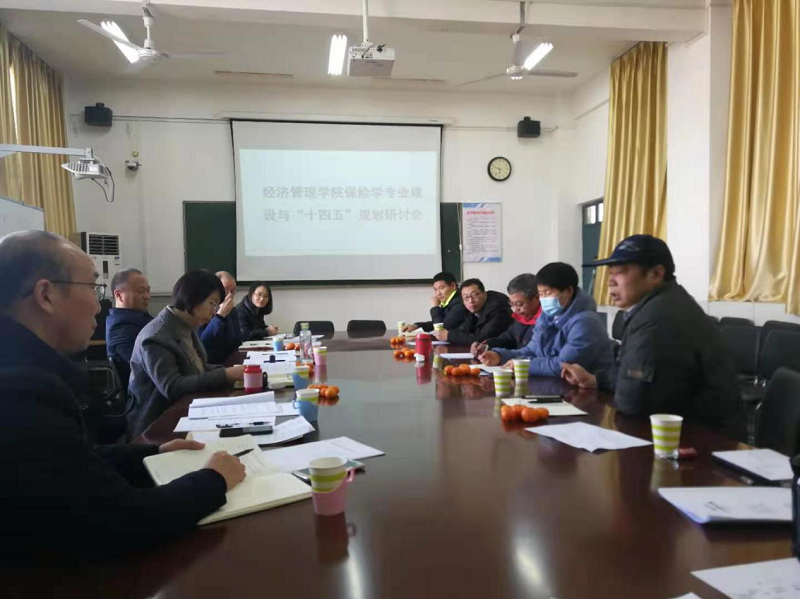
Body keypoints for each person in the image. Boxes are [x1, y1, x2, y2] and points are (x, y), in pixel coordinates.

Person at [0, 231, 246, 563]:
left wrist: (153, 452)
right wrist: (214, 479)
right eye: (93, 288)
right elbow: (123, 518)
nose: (99, 305)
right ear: (46, 295)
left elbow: (77, 459)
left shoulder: (28, 368)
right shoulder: (20, 392)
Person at [561, 235, 738, 425]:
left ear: (656, 274)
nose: (610, 282)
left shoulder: (660, 317)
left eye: (619, 273)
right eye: (610, 274)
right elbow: (633, 377)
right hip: (682, 428)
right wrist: (596, 380)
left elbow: (632, 401)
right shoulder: (660, 304)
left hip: (699, 436)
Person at [128, 270, 245, 438]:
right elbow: (172, 387)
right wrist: (225, 375)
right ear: (193, 298)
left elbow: (199, 367)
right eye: (212, 304)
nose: (214, 312)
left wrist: (233, 372)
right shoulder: (156, 337)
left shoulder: (186, 325)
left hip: (187, 410)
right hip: (156, 426)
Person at [479, 262, 613, 378]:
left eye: (547, 293)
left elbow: (564, 365)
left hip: (593, 392)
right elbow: (532, 350)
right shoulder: (547, 316)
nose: (543, 299)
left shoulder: (586, 322)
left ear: (568, 291)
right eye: (541, 294)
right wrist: (500, 356)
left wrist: (523, 365)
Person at [471, 273, 541, 356]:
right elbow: (506, 338)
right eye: (512, 304)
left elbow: (533, 353)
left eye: (519, 304)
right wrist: (486, 345)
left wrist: (500, 356)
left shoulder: (546, 322)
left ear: (536, 298)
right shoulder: (521, 319)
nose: (516, 310)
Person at [106, 268, 153, 389]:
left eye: (148, 291)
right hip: (147, 391)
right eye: (141, 291)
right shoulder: (119, 327)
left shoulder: (140, 316)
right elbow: (144, 364)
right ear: (119, 295)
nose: (147, 296)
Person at [435, 278, 513, 346]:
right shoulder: (473, 310)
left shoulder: (499, 310)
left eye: (475, 295)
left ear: (484, 294)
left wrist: (450, 336)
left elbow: (483, 339)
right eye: (466, 297)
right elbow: (464, 330)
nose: (471, 301)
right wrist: (448, 334)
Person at [199, 271, 242, 364]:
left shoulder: (233, 311)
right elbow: (201, 343)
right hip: (208, 364)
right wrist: (220, 316)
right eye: (226, 290)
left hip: (228, 362)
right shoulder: (202, 310)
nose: (230, 295)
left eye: (233, 291)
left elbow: (237, 342)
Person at [403, 271, 468, 333]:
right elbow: (439, 322)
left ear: (453, 286)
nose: (438, 293)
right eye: (436, 289)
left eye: (441, 288)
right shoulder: (449, 301)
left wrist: (435, 307)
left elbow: (441, 328)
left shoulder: (460, 303)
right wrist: (417, 326)